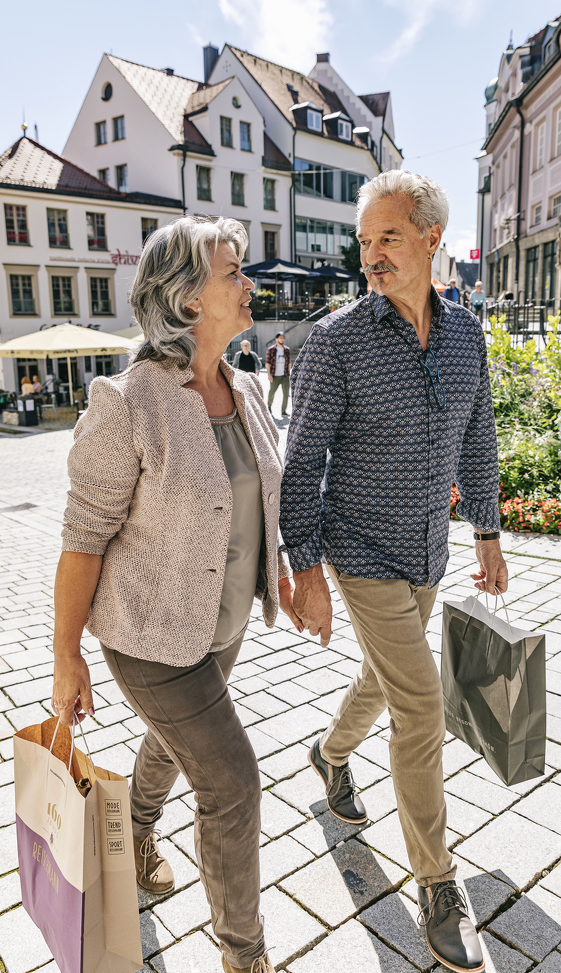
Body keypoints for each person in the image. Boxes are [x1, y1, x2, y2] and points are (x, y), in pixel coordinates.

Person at [52, 215, 301, 973]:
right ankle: (243, 953)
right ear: (189, 297)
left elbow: (258, 498)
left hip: (220, 626)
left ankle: (136, 824)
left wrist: (280, 572)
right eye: (234, 272)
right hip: (148, 635)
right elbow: (83, 536)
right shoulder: (127, 401)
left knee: (171, 739)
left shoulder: (248, 387)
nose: (250, 283)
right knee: (231, 779)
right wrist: (67, 656)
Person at [280, 171, 508, 973]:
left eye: (388, 239)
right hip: (361, 549)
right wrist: (305, 568)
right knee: (420, 705)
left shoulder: (467, 335)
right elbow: (301, 460)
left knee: (384, 681)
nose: (370, 256)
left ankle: (329, 755)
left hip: (427, 549)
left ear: (431, 239)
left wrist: (488, 530)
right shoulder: (340, 340)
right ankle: (437, 885)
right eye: (365, 241)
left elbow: (477, 437)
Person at [266, 332, 291, 416]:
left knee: (286, 394)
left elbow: (289, 363)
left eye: (283, 338)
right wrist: (269, 375)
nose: (282, 339)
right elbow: (268, 363)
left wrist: (289, 375)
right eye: (280, 338)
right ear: (276, 339)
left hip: (285, 376)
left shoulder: (287, 350)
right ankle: (268, 408)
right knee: (272, 392)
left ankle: (283, 411)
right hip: (274, 375)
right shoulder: (271, 349)